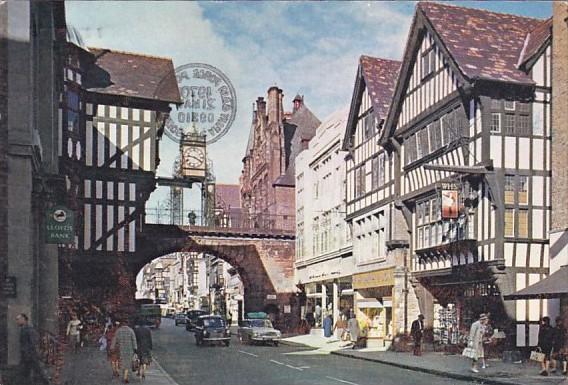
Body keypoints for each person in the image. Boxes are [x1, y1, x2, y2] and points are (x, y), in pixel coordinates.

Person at [16, 313, 46, 384]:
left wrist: (30, 353)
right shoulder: (23, 329)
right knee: (25, 373)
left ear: (23, 319)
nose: (16, 321)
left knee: (39, 372)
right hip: (26, 356)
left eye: (18, 319)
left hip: (31, 356)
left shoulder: (29, 329)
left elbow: (34, 342)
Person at [111, 318, 138, 384]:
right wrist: (135, 349)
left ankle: (123, 374)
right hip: (129, 349)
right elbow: (134, 340)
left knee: (122, 362)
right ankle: (125, 377)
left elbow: (114, 339)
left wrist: (112, 347)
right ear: (127, 323)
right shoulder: (131, 330)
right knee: (128, 364)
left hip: (121, 349)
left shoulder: (118, 331)